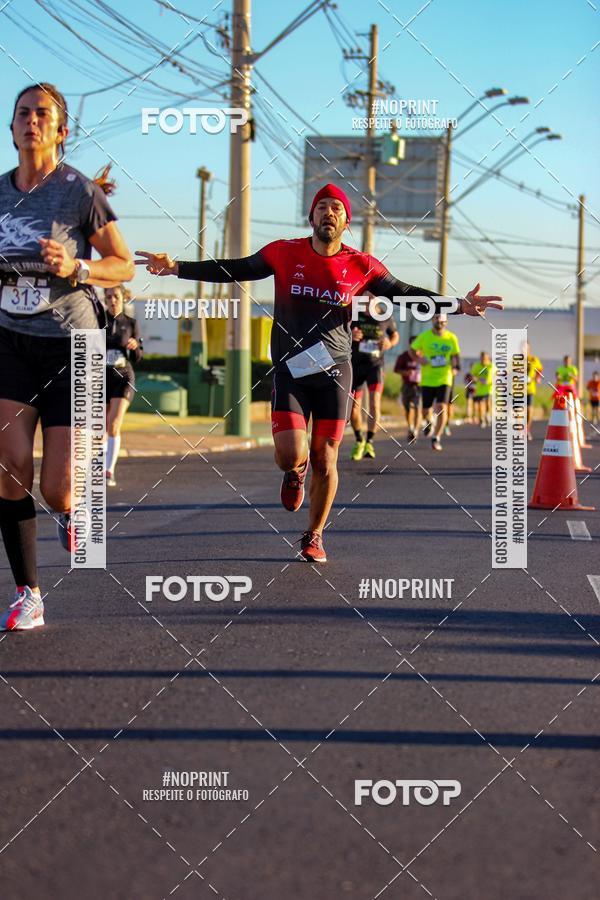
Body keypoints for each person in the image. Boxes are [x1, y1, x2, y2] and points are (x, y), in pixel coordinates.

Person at [137, 183, 502, 562]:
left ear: (346, 222)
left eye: (337, 208)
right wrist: (177, 267)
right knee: (289, 454)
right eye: (322, 206)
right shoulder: (283, 252)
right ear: (311, 217)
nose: (329, 212)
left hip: (335, 371)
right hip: (290, 371)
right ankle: (295, 471)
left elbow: (404, 293)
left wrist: (457, 305)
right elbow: (236, 268)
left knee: (326, 457)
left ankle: (314, 534)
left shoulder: (362, 265)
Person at [0, 83, 134, 631]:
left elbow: (123, 263)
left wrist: (76, 267)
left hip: (73, 346)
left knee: (57, 487)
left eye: (42, 114)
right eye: (22, 113)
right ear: (11, 128)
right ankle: (28, 595)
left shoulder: (79, 192)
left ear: (61, 130)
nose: (31, 121)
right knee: (9, 467)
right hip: (10, 340)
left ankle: (72, 510)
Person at [349, 298, 399, 460]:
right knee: (354, 407)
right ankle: (359, 440)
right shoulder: (354, 313)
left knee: (374, 403)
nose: (370, 298)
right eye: (367, 295)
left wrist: (390, 343)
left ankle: (369, 442)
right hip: (356, 365)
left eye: (373, 295)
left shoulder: (385, 315)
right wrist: (350, 335)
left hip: (375, 365)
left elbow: (395, 335)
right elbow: (340, 331)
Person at [105, 284, 143, 485]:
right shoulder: (97, 320)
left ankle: (109, 471)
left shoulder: (130, 323)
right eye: (109, 297)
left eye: (116, 296)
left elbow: (138, 357)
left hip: (123, 376)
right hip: (101, 377)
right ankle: (98, 468)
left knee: (113, 424)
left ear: (123, 298)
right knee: (101, 427)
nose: (112, 300)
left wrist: (135, 346)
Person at [410, 314, 461, 451]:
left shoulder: (451, 337)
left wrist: (456, 367)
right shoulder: (424, 336)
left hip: (445, 377)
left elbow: (456, 355)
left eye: (442, 319)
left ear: (446, 322)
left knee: (441, 406)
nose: (439, 321)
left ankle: (436, 437)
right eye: (436, 318)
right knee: (425, 410)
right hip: (427, 378)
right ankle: (429, 420)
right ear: (432, 320)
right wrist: (419, 359)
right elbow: (412, 350)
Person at [394, 345, 421, 442]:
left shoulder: (424, 356)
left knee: (418, 407)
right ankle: (411, 427)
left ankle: (416, 431)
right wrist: (405, 372)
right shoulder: (404, 356)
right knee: (408, 408)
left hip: (420, 386)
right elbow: (396, 369)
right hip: (407, 385)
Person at [470, 351, 494, 427]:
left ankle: (487, 414)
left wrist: (488, 381)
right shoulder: (477, 366)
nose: (483, 360)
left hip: (489, 388)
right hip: (479, 389)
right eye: (482, 358)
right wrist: (475, 378)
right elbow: (472, 375)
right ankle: (482, 419)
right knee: (480, 404)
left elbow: (493, 375)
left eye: (485, 358)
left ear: (488, 358)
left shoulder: (491, 366)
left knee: (488, 403)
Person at [526, 343, 543, 441]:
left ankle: (527, 430)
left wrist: (538, 377)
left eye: (526, 348)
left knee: (529, 411)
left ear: (529, 349)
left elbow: (539, 369)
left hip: (530, 389)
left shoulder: (534, 360)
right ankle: (520, 431)